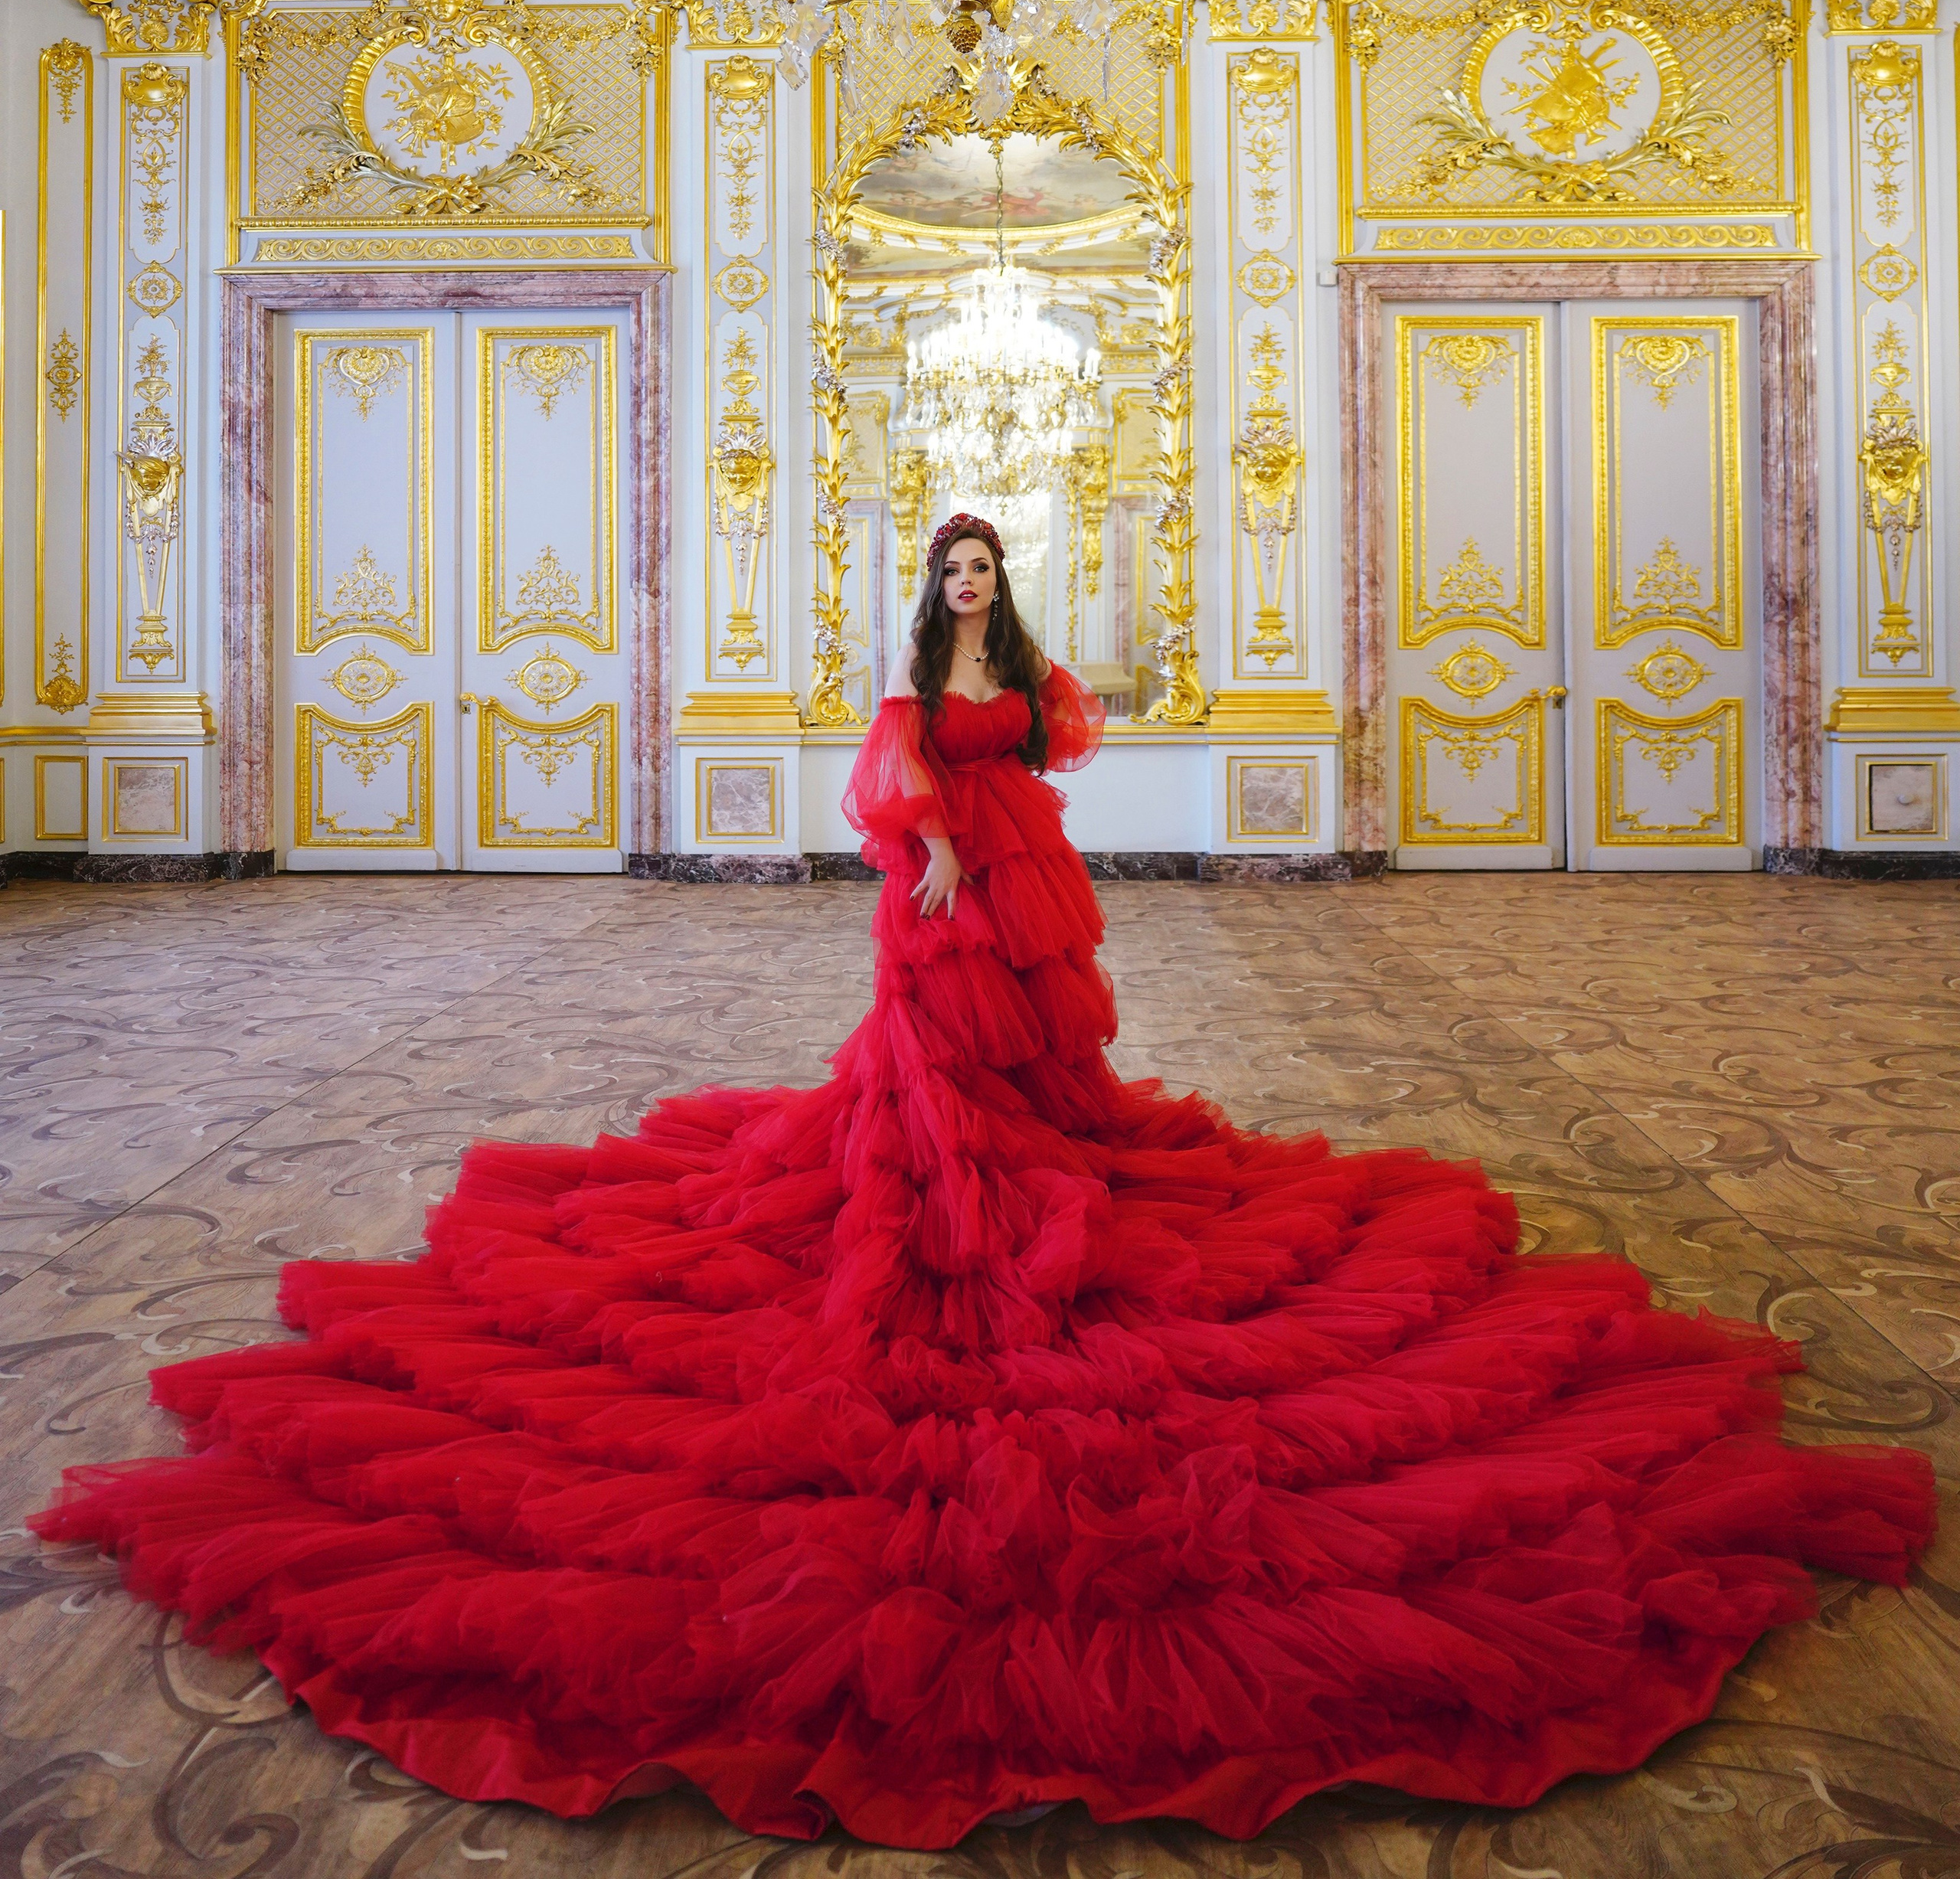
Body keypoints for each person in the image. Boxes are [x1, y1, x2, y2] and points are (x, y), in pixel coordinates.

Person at [34, 512, 1934, 1848]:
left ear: (999, 582)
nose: (966, 587)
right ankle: (943, 1189)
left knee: (1045, 1064)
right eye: (950, 570)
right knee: (929, 1070)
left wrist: (1008, 795)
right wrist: (933, 846)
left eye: (980, 570)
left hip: (1025, 872)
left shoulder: (1022, 670)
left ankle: (1036, 1151)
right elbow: (890, 780)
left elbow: (1062, 742)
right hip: (945, 885)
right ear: (924, 582)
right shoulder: (910, 683)